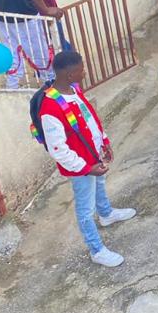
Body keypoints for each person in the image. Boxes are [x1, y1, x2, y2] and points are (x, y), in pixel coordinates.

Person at [32, 50, 135, 267]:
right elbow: (58, 150)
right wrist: (86, 168)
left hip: (93, 155)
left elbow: (89, 117)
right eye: (81, 69)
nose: (85, 72)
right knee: (85, 208)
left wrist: (104, 141)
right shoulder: (50, 109)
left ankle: (106, 213)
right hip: (80, 166)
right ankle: (96, 249)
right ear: (69, 74)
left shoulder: (74, 90)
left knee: (100, 184)